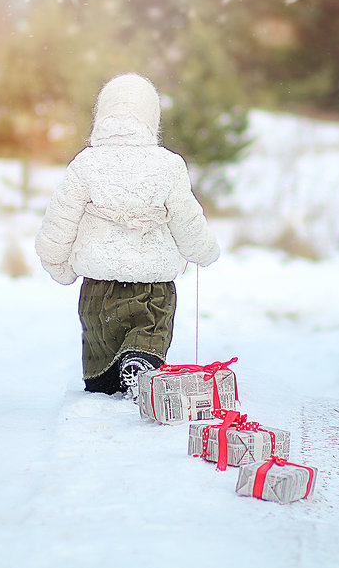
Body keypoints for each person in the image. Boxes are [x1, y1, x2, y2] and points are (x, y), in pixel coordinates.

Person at [35, 73, 221, 397]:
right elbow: (187, 221)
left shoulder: (85, 165)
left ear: (101, 116)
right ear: (151, 117)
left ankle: (103, 379)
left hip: (97, 292)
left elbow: (58, 224)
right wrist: (204, 252)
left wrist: (59, 267)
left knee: (99, 351)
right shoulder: (168, 166)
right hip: (152, 290)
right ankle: (141, 365)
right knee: (148, 333)